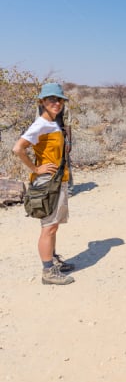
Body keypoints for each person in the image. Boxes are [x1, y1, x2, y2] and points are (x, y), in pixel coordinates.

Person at [12, 82, 75, 285]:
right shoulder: (40, 124)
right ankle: (48, 271)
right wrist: (35, 168)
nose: (56, 103)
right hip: (48, 183)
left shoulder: (55, 122)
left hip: (58, 180)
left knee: (53, 225)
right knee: (48, 226)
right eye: (51, 100)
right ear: (42, 102)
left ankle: (53, 259)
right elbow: (18, 148)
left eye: (59, 100)